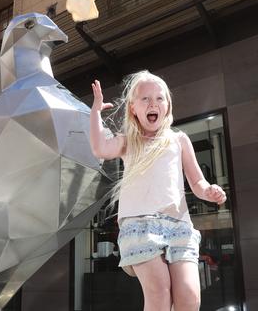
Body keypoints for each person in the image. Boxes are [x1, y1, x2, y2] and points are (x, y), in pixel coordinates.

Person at [89, 71, 226, 311]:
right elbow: (100, 147)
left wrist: (210, 191)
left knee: (189, 297)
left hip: (178, 225)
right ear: (133, 109)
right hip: (139, 225)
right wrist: (95, 113)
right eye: (145, 99)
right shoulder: (128, 140)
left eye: (159, 98)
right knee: (159, 291)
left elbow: (197, 182)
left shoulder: (179, 140)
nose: (153, 103)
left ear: (167, 106)